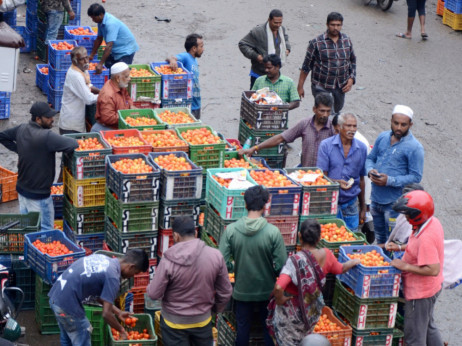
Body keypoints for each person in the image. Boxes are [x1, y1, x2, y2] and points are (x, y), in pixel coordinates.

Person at [267, 219, 360, 345]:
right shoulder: (327, 255)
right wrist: (354, 261)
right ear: (319, 238)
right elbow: (341, 268)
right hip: (310, 312)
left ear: (300, 236)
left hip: (291, 315)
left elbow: (278, 287)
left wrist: (280, 299)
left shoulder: (294, 261)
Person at [147, 216, 232, 345]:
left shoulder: (168, 261)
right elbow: (225, 291)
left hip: (174, 323)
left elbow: (153, 294)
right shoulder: (215, 256)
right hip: (202, 321)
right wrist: (214, 309)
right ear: (196, 233)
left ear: (175, 236)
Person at [219, 185, 287, 346]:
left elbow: (220, 261)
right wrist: (272, 271)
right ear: (265, 206)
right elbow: (282, 265)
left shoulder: (232, 231)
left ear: (245, 205)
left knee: (242, 329)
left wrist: (233, 266)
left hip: (242, 291)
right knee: (268, 329)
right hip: (267, 291)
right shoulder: (273, 232)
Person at [0, 102, 78, 231]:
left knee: (28, 228)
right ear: (38, 119)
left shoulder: (21, 128)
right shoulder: (47, 136)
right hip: (39, 196)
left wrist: (19, 149)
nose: (52, 119)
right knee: (45, 230)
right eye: (48, 117)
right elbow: (73, 144)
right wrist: (20, 150)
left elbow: (2, 136)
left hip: (22, 190)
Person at [48, 249, 149, 345]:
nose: (132, 276)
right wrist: (121, 330)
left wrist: (118, 312)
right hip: (66, 306)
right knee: (83, 331)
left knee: (68, 336)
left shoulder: (104, 259)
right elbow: (106, 314)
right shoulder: (113, 277)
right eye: (135, 273)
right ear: (131, 267)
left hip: (56, 297)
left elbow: (98, 296)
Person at [390, 190, 444, 346]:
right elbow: (419, 247)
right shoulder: (432, 222)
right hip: (432, 289)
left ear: (418, 214)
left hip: (420, 294)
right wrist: (401, 248)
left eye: (408, 215)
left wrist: (404, 265)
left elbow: (433, 269)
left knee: (414, 336)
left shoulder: (426, 237)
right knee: (428, 326)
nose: (406, 219)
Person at [365, 105, 424, 246]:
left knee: (394, 242)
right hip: (375, 199)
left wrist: (389, 181)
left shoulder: (415, 148)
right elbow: (370, 158)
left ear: (411, 124)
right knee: (380, 239)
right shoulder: (382, 137)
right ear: (391, 120)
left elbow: (416, 177)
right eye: (396, 123)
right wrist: (370, 170)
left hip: (394, 204)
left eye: (403, 125)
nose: (398, 127)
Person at [239, 92, 335, 167]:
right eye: (322, 111)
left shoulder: (333, 128)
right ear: (314, 109)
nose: (325, 115)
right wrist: (255, 148)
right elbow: (281, 138)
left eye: (328, 111)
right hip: (306, 172)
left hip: (325, 175)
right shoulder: (305, 124)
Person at [297, 12, 356, 116]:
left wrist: (351, 79)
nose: (335, 28)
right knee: (327, 113)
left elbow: (352, 61)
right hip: (321, 86)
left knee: (336, 110)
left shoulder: (346, 40)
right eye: (332, 25)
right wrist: (300, 86)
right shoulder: (316, 43)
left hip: (340, 86)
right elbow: (306, 66)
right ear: (327, 25)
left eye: (338, 25)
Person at [317, 113, 367, 231]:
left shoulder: (362, 148)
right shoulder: (326, 146)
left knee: (350, 237)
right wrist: (336, 182)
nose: (352, 130)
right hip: (330, 203)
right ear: (339, 127)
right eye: (348, 126)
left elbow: (361, 179)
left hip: (351, 203)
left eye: (354, 126)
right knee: (330, 235)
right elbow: (321, 177)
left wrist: (363, 208)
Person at [239, 9, 291, 89]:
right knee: (256, 98)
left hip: (275, 74)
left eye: (280, 22)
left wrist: (287, 48)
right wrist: (256, 56)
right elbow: (243, 44)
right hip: (259, 74)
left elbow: (285, 38)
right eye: (275, 22)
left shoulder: (281, 29)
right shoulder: (258, 31)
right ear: (269, 20)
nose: (278, 25)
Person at [87, 3, 139, 74]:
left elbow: (109, 46)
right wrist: (92, 55)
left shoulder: (110, 24)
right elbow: (99, 38)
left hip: (125, 50)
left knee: (120, 74)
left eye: (94, 18)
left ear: (101, 15)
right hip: (115, 50)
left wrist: (100, 64)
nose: (93, 20)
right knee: (110, 71)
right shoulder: (100, 21)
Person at [59, 46, 99, 134]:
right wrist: (104, 95)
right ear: (74, 61)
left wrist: (101, 91)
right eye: (82, 59)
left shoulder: (82, 69)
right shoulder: (75, 76)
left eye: (86, 58)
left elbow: (88, 86)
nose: (86, 61)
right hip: (70, 124)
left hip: (76, 120)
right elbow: (88, 99)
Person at [167, 34, 204, 120]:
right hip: (190, 104)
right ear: (194, 48)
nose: (203, 49)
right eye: (201, 46)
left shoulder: (194, 60)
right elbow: (171, 57)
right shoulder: (186, 56)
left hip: (196, 103)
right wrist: (172, 60)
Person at [91, 62, 134, 132]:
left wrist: (132, 108)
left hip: (117, 126)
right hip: (106, 129)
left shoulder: (120, 85)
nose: (129, 79)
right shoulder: (108, 95)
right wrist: (128, 115)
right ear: (117, 78)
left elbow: (128, 98)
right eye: (126, 76)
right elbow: (108, 118)